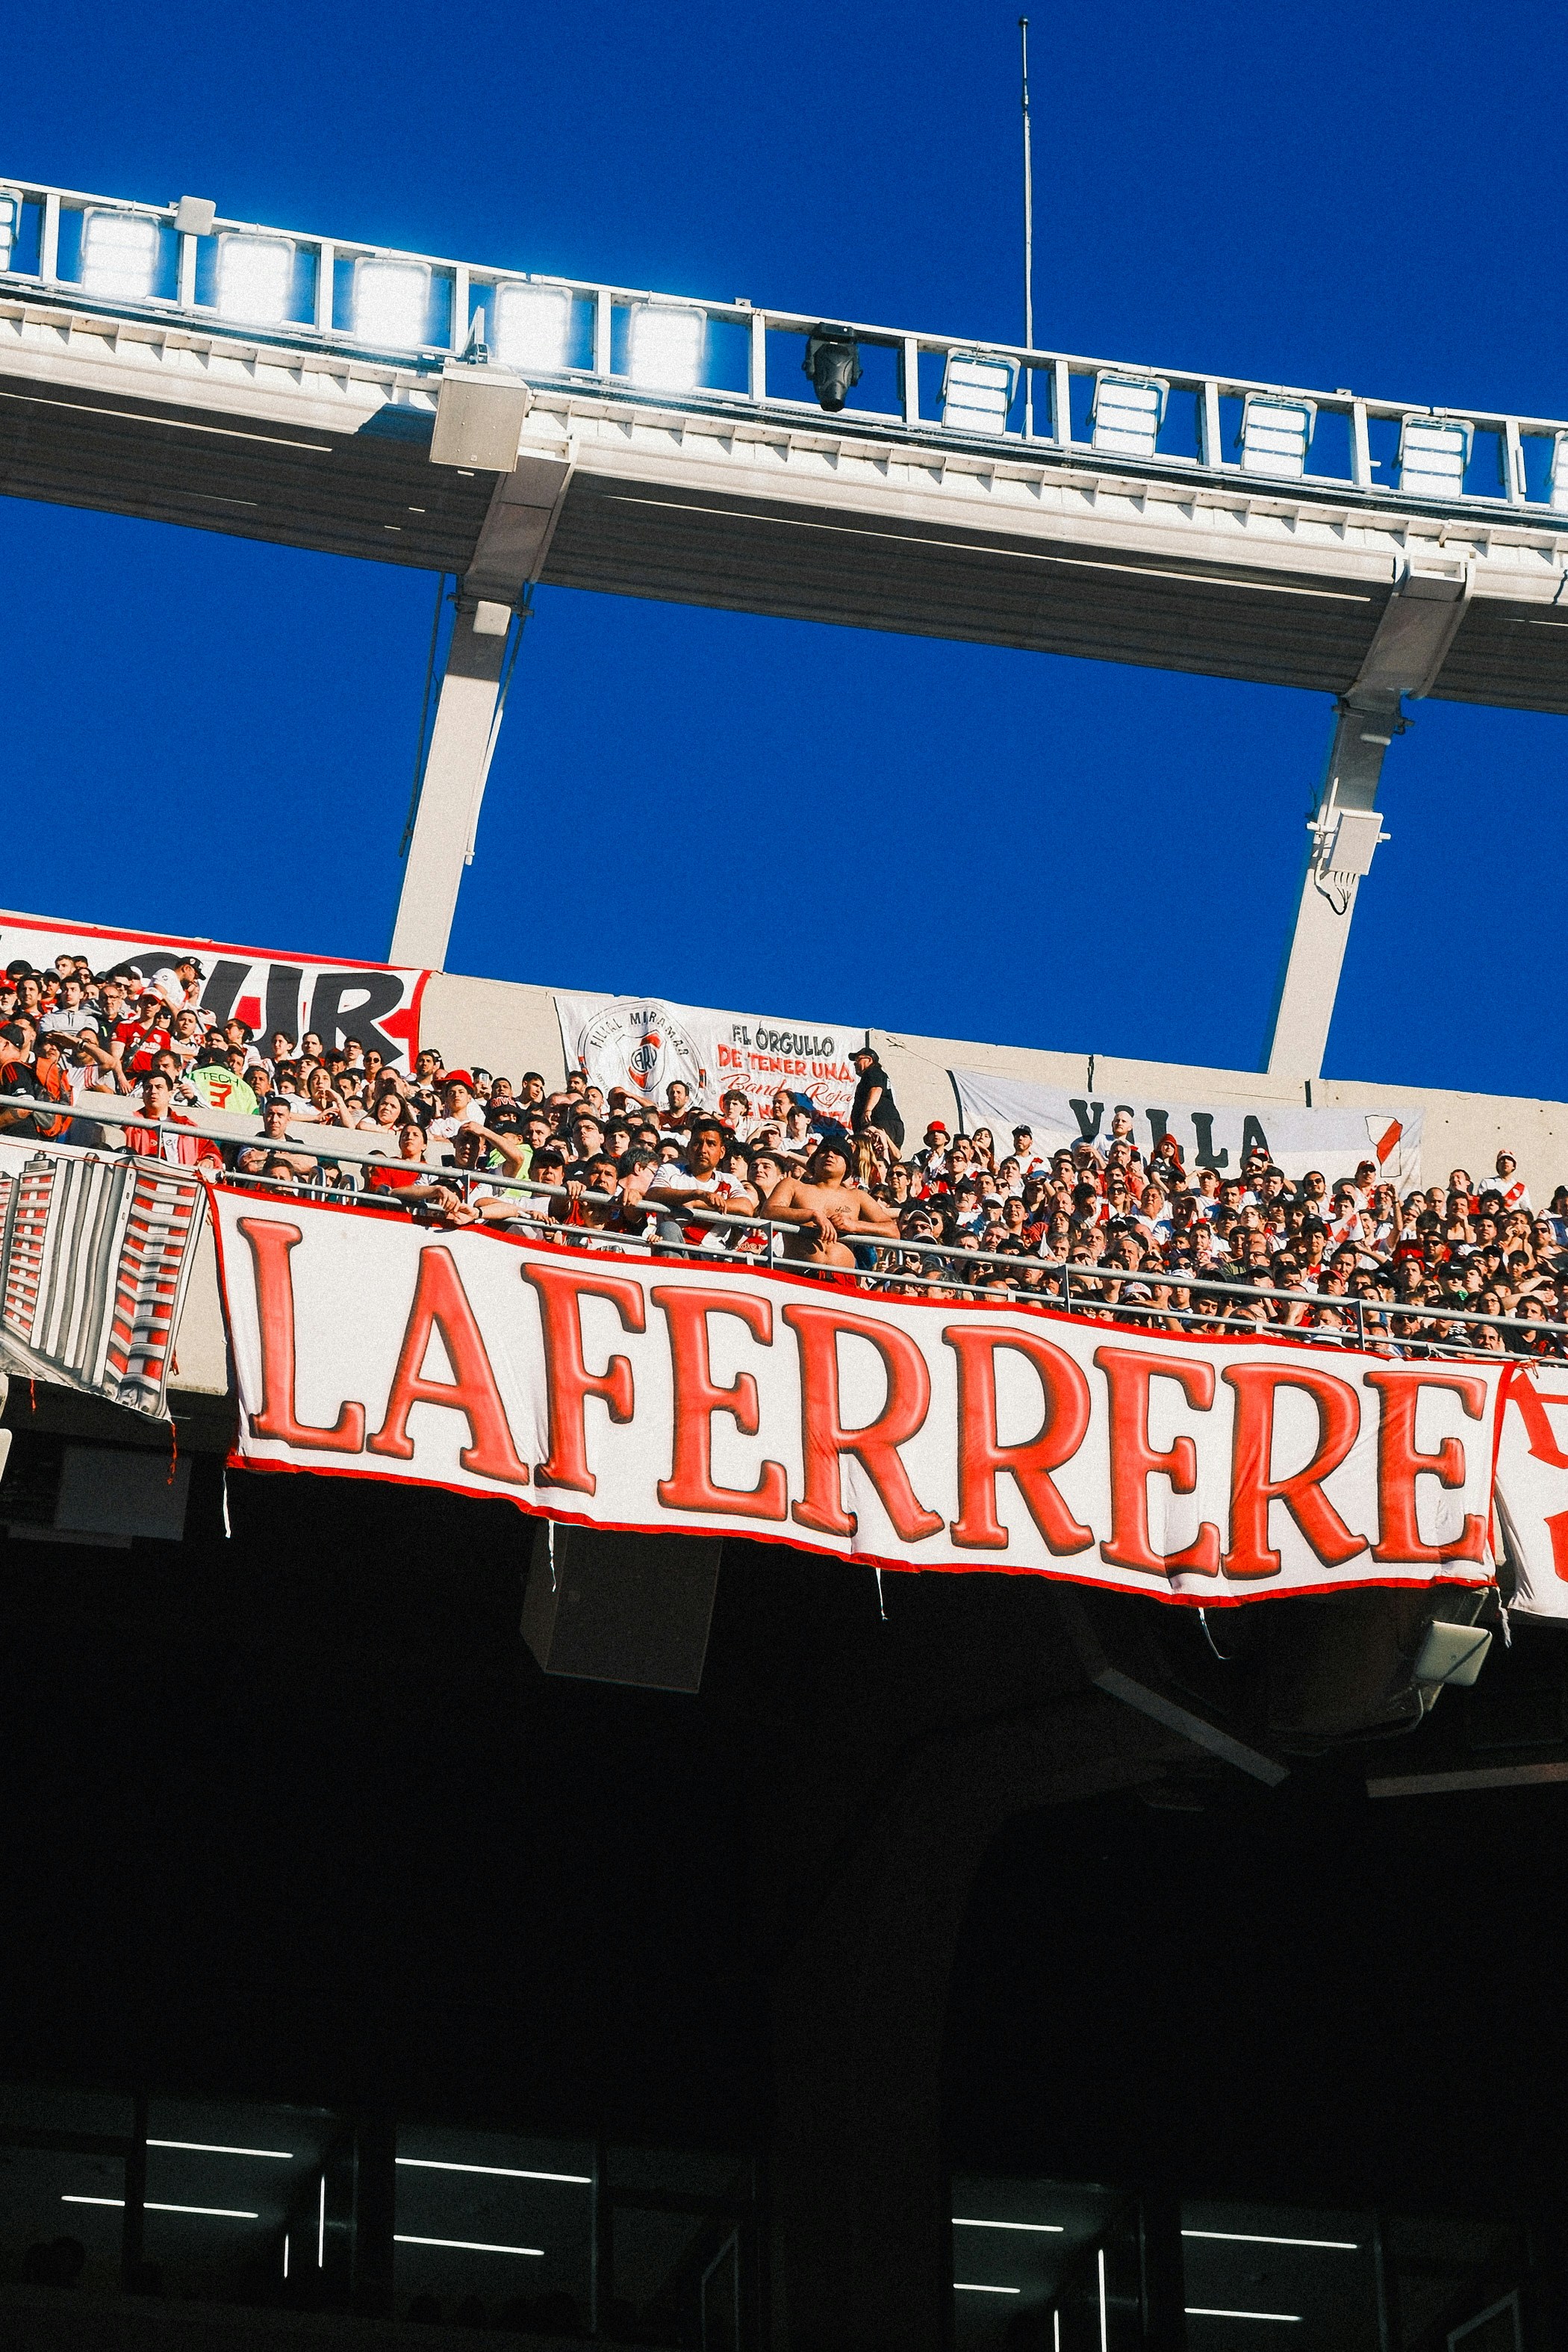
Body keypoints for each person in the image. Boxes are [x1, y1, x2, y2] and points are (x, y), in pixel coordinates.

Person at [620, 1114, 758, 1248]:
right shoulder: (670, 1170)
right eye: (697, 1143)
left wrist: (697, 1203)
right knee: (669, 1228)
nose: (703, 1150)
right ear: (688, 1148)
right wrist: (696, 1194)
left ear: (722, 1152)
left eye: (711, 1144)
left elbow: (746, 1208)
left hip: (711, 1255)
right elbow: (654, 1193)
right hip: (671, 1248)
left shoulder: (728, 1180)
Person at [762, 1136, 899, 1266]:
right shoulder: (793, 1185)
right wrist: (812, 1215)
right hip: (799, 1274)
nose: (830, 1155)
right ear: (813, 1161)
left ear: (848, 1166)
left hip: (842, 1277)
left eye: (838, 1153)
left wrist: (854, 1225)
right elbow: (768, 1211)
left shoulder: (858, 1196)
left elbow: (892, 1231)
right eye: (824, 1151)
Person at [125, 1071, 223, 1169]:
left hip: (179, 1177)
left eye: (159, 1087)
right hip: (142, 1176)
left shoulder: (186, 1126)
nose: (153, 1091)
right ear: (143, 1094)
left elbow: (211, 1151)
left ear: (170, 1094)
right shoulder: (130, 1123)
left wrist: (209, 1159)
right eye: (148, 1087)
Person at [850, 1045, 904, 1153]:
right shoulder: (879, 1074)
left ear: (869, 1060)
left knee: (874, 1154)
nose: (855, 1064)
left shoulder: (872, 1071)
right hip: (891, 1123)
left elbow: (876, 1088)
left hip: (879, 1122)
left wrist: (868, 1110)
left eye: (858, 1060)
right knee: (888, 1156)